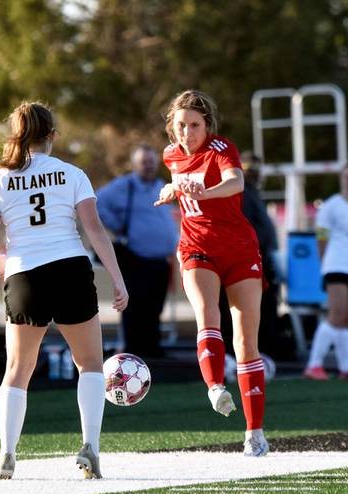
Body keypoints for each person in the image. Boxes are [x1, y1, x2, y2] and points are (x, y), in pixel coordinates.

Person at [0, 101, 128, 480]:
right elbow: (94, 231)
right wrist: (118, 279)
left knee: (17, 369)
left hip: (24, 274)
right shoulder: (72, 173)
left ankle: (7, 454)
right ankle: (90, 448)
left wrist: (3, 270)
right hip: (70, 270)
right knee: (90, 364)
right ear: (53, 136)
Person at [154, 90, 269, 456]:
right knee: (207, 315)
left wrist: (202, 191)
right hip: (196, 246)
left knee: (246, 342)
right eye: (181, 125)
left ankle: (254, 433)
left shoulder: (221, 148)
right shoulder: (170, 154)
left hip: (238, 248)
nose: (187, 132)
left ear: (207, 126)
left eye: (194, 125)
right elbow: (175, 184)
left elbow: (236, 183)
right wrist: (169, 188)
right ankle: (215, 386)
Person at [96, 144, 178, 357]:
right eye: (144, 162)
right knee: (135, 309)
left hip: (160, 261)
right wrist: (118, 225)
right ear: (134, 165)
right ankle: (134, 352)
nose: (149, 166)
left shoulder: (161, 184)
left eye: (151, 161)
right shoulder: (125, 186)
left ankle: (153, 349)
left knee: (155, 307)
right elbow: (97, 202)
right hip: (136, 259)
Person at [303, 163, 348, 382]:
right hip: (336, 265)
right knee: (336, 315)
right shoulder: (332, 205)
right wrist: (326, 264)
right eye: (347, 177)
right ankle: (313, 365)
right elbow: (321, 237)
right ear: (342, 179)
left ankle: (346, 367)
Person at [219, 151, 284, 359]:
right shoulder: (242, 194)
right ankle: (247, 353)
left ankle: (261, 349)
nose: (254, 174)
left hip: (258, 260)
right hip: (248, 261)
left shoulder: (253, 193)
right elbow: (245, 228)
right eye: (249, 170)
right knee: (249, 309)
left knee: (261, 308)